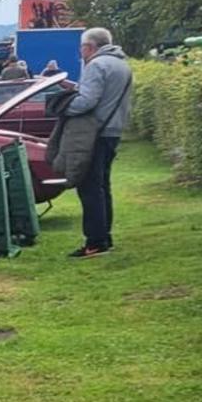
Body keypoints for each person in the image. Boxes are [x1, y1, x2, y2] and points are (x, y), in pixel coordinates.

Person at [64, 27, 134, 259]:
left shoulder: (96, 65)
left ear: (90, 46)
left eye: (81, 47)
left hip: (95, 131)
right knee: (103, 186)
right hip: (113, 130)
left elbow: (87, 101)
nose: (80, 52)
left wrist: (63, 106)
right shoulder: (121, 64)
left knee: (89, 187)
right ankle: (105, 237)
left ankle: (95, 242)